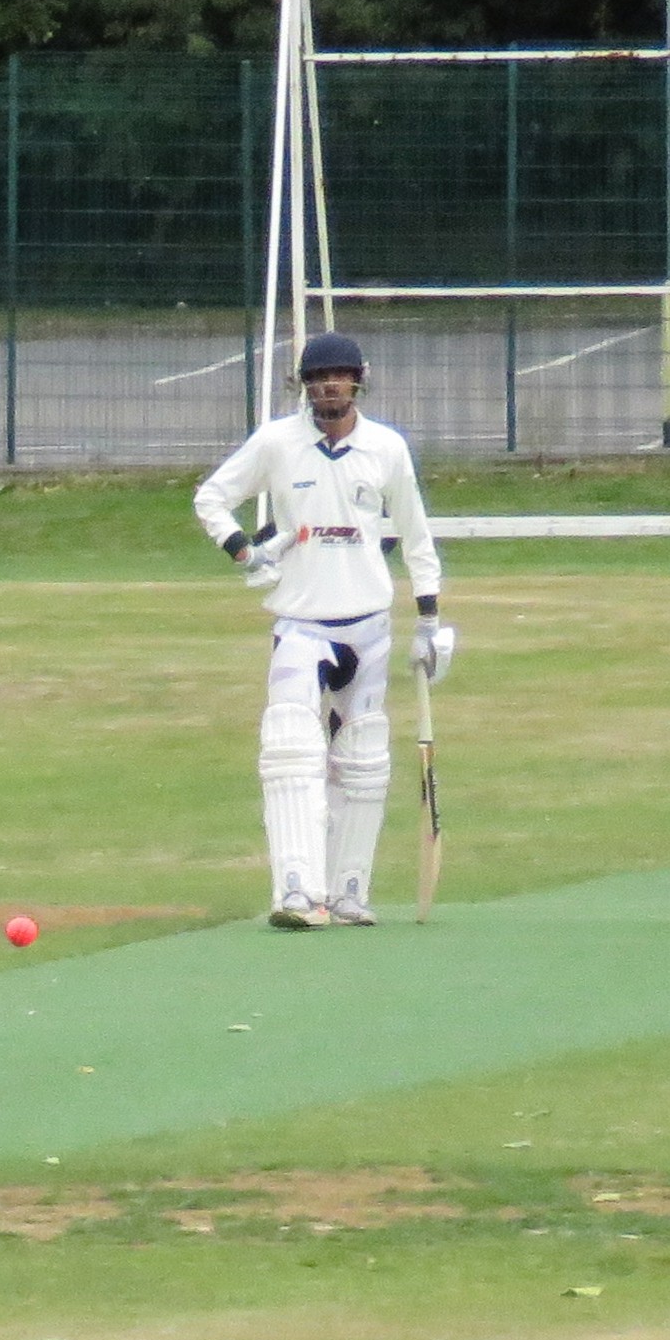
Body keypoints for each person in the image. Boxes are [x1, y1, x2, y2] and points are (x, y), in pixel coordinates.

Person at [191, 332, 452, 928]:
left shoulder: (385, 448)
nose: (327, 386)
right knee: (290, 746)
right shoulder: (278, 443)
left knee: (361, 756)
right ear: (303, 386)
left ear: (358, 379)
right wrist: (242, 551)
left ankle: (349, 890)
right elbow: (211, 497)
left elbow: (415, 535)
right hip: (301, 623)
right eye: (316, 378)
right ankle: (296, 892)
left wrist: (431, 619)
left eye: (337, 376)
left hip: (368, 624)